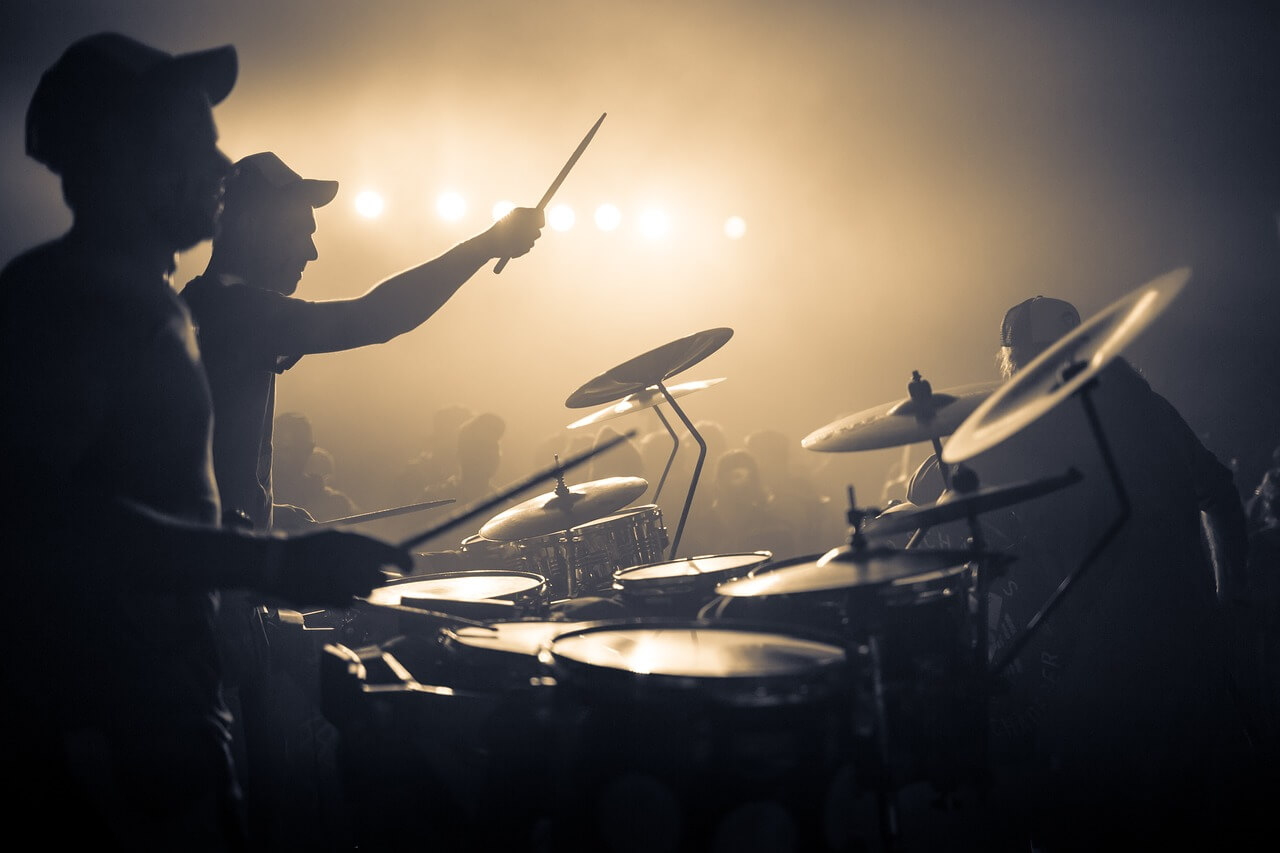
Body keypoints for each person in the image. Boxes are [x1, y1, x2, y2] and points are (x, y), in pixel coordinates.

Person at [0, 33, 411, 850]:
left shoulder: (145, 300)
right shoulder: (75, 302)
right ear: (126, 156)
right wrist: (270, 564)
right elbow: (44, 522)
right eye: (194, 139)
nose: (219, 162)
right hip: (115, 733)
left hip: (158, 713)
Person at [925, 296, 1257, 848]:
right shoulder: (1145, 405)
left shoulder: (1028, 427)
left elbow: (927, 491)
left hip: (1092, 670)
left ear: (1016, 361)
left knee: (1084, 820)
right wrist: (1230, 602)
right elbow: (1219, 493)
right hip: (1186, 647)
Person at [181, 151, 543, 534]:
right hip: (220, 584)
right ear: (252, 226)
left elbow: (215, 467)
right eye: (298, 233)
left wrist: (268, 512)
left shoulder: (202, 303)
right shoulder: (237, 312)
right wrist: (486, 245)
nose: (311, 251)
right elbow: (376, 317)